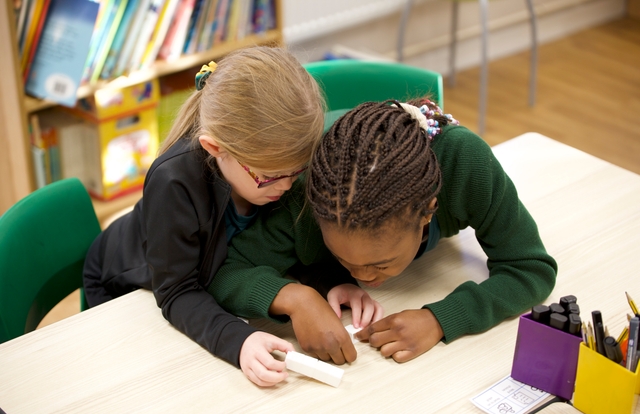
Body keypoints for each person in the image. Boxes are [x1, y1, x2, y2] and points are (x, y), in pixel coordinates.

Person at [82, 47, 378, 387]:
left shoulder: (278, 163)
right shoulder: (173, 182)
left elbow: (294, 240)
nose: (285, 186)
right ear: (214, 148)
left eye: (295, 172)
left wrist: (333, 280)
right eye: (270, 176)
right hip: (125, 286)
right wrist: (239, 341)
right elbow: (178, 291)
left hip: (206, 283)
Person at [207, 98, 558, 365]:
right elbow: (224, 270)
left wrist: (441, 318)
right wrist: (296, 299)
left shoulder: (465, 163)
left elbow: (529, 267)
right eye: (343, 258)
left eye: (381, 263)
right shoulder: (310, 191)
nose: (361, 276)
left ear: (427, 211)